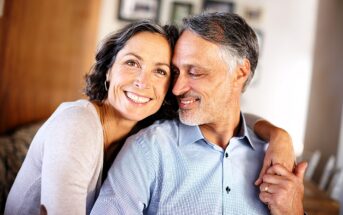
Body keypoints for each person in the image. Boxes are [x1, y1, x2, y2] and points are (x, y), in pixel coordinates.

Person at [5, 20, 293, 215]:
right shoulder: (77, 123)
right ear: (108, 69)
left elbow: (226, 114)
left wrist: (278, 135)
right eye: (132, 63)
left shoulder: (141, 125)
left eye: (161, 71)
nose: (143, 82)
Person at [90, 13, 305, 215]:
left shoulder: (274, 159)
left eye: (194, 72)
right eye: (176, 72)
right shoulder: (148, 150)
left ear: (240, 73)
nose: (176, 88)